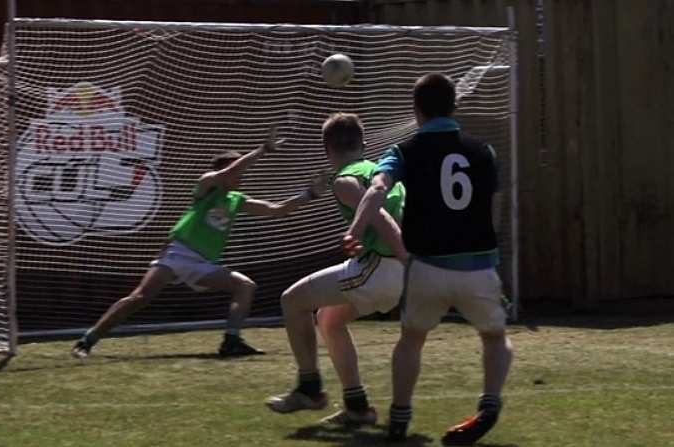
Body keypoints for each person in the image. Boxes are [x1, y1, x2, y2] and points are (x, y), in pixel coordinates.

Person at [343, 73, 513, 444]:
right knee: (495, 337)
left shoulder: (403, 151)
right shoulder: (485, 152)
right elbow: (494, 207)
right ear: (454, 106)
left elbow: (376, 188)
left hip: (428, 267)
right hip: (478, 266)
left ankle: (400, 416)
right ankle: (489, 405)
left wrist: (355, 231)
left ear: (417, 110)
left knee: (411, 339)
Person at [71, 127, 328, 358]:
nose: (242, 174)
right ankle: (88, 340)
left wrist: (309, 195)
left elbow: (276, 209)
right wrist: (262, 150)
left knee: (245, 286)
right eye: (236, 168)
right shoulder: (207, 184)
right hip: (177, 253)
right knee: (139, 297)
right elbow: (230, 171)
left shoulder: (237, 199)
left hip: (203, 263)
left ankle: (231, 341)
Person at [266, 113, 408, 426]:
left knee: (291, 301)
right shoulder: (381, 172)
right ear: (363, 143)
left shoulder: (345, 180)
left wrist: (405, 259)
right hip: (389, 267)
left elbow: (382, 219)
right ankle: (357, 408)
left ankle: (309, 388)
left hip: (383, 266)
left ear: (327, 148)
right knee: (328, 319)